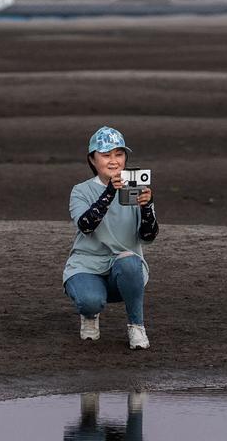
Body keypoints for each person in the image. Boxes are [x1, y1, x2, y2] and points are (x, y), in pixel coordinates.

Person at [63, 126, 158, 350]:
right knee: (90, 300)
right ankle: (89, 315)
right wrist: (109, 193)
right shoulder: (81, 191)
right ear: (93, 160)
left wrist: (148, 207)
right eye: (106, 155)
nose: (114, 161)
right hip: (86, 266)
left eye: (119, 154)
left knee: (130, 260)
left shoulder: (136, 187)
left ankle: (136, 326)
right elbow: (86, 225)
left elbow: (148, 235)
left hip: (124, 269)